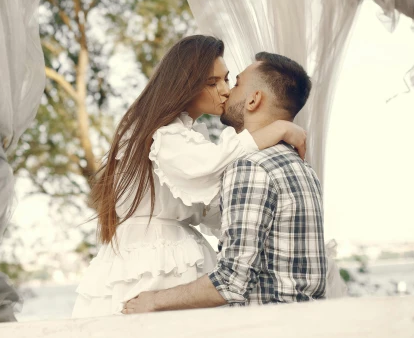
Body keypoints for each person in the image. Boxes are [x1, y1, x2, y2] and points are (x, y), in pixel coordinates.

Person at [71, 37, 307, 317]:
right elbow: (210, 165)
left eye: (227, 80)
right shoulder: (164, 134)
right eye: (212, 82)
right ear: (185, 84)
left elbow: (210, 207)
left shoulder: (183, 136)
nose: (224, 91)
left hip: (168, 247)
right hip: (154, 256)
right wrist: (278, 129)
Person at [123, 52, 327, 312]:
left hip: (269, 326)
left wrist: (153, 300)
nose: (227, 91)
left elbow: (231, 281)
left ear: (254, 99)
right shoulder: (301, 167)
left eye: (235, 82)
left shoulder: (250, 167)